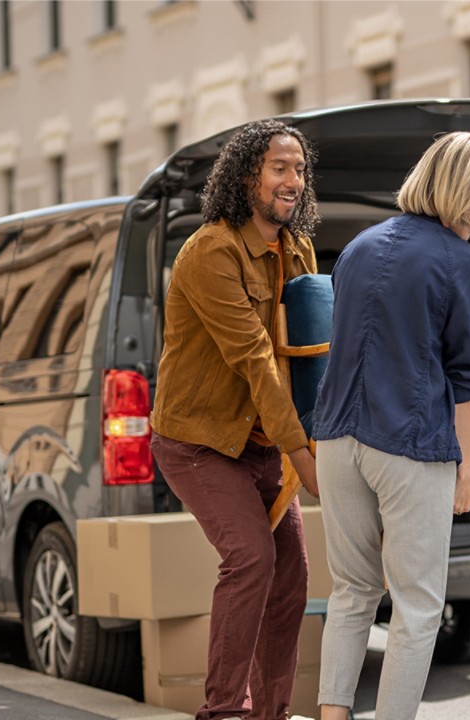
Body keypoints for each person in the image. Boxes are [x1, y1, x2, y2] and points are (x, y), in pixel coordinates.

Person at [312, 132, 470, 720]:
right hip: (408, 445)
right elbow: (463, 377)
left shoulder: (357, 247)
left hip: (336, 440)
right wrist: (466, 470)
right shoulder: (463, 264)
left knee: (351, 594)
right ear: (467, 194)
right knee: (418, 607)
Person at [149, 118, 321, 720]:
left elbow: (306, 353)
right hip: (198, 441)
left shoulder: (296, 246)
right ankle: (224, 711)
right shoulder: (209, 253)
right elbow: (254, 358)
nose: (293, 180)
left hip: (263, 442)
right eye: (280, 167)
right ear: (248, 174)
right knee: (251, 558)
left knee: (292, 574)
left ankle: (271, 712)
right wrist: (305, 455)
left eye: (299, 169)